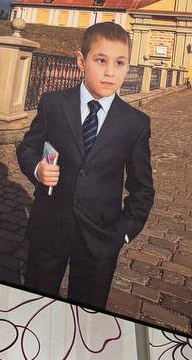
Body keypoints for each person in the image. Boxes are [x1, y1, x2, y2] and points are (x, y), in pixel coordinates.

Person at [17, 21, 154, 311]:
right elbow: (28, 147)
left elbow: (142, 188)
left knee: (87, 315)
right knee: (35, 305)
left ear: (128, 66)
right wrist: (37, 169)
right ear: (81, 60)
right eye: (101, 60)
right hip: (49, 227)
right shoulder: (54, 104)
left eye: (119, 63)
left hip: (101, 238)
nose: (110, 72)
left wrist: (123, 233)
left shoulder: (136, 123)